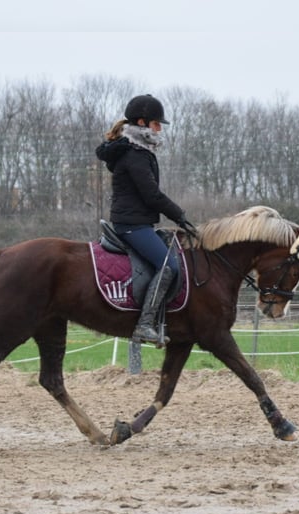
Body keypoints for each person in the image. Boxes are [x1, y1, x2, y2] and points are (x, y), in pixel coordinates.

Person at [95, 94, 192, 346]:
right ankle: (145, 324)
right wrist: (178, 215)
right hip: (131, 225)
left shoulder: (138, 150)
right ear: (142, 123)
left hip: (138, 222)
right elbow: (151, 195)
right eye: (157, 124)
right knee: (168, 266)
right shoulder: (135, 154)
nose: (160, 129)